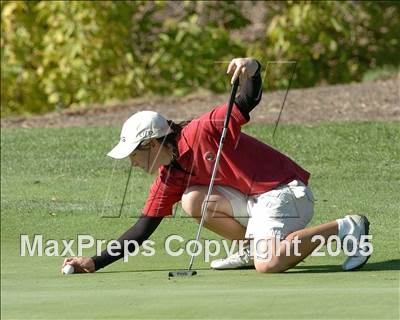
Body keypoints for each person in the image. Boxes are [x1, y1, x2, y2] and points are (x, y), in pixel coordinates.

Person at [61, 57, 371, 274]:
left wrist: (253, 69)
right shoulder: (170, 176)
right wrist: (94, 261)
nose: (132, 163)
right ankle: (253, 247)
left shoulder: (204, 129)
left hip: (284, 194)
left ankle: (346, 227)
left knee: (269, 265)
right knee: (192, 200)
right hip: (254, 204)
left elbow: (246, 100)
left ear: (152, 144)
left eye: (134, 154)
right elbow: (142, 230)